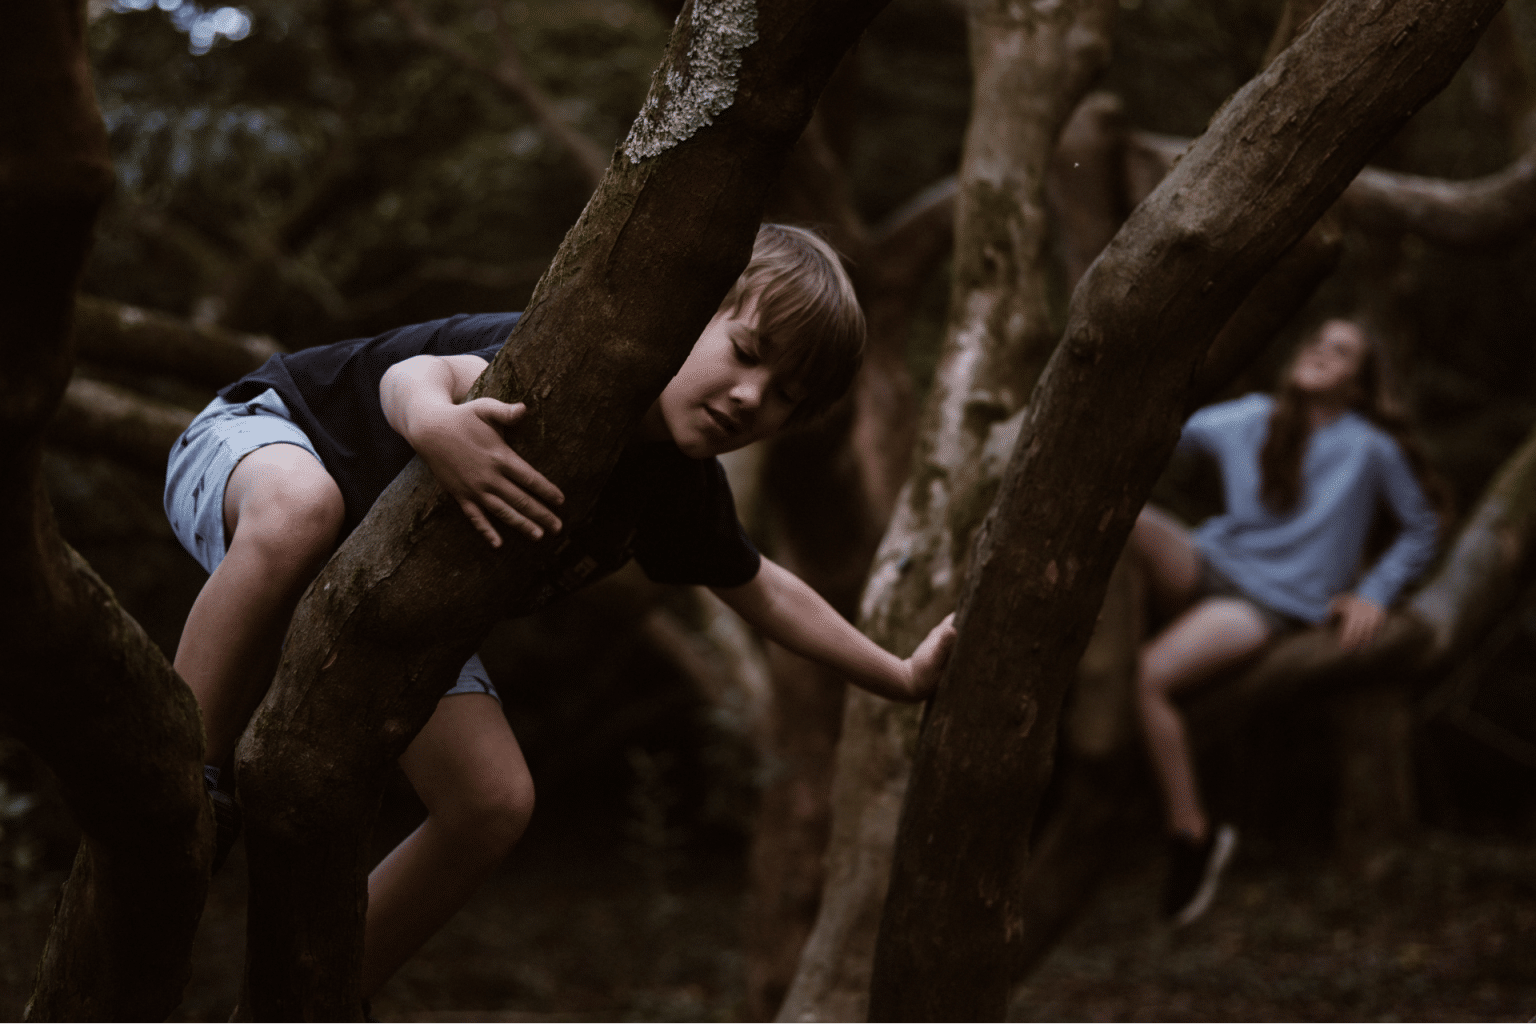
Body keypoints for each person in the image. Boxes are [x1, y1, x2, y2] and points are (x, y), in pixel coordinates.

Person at [164, 223, 958, 997]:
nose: (752, 396)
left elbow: (765, 589)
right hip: (260, 442)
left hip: (388, 598)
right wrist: (437, 428)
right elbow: (414, 378)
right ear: (686, 313)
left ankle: (317, 996)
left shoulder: (677, 490)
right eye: (747, 353)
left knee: (492, 802)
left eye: (786, 396)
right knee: (303, 510)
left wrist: (898, 674)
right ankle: (181, 778)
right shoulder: (573, 359)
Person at [1128, 317, 1440, 927]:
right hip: (1207, 564)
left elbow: (1422, 525)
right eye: (1318, 341)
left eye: (1341, 350)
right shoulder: (1252, 415)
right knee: (1122, 517)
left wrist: (1374, 592)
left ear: (1358, 381)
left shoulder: (1369, 448)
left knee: (1147, 679)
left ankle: (1192, 833)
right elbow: (1160, 430)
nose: (1322, 352)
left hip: (1268, 603)